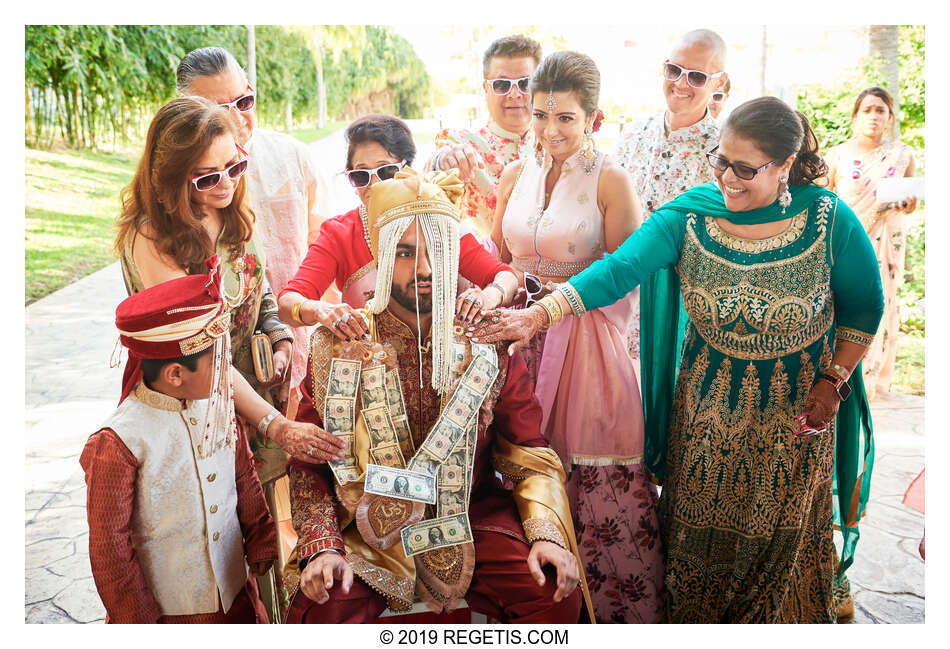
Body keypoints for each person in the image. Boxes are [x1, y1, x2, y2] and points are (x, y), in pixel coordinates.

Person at [471, 97, 884, 622]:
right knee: (695, 551)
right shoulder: (691, 216)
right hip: (705, 422)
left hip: (794, 422)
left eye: (745, 168)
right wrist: (538, 316)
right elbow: (617, 271)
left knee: (778, 555)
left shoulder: (827, 219)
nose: (727, 179)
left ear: (784, 166)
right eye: (721, 161)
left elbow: (864, 306)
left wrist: (833, 381)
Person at [281, 169, 592, 624]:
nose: (424, 269)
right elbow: (310, 464)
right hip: (369, 530)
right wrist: (322, 547)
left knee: (554, 595)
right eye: (405, 254)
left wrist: (546, 534)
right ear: (384, 257)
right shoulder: (339, 345)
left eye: (436, 252)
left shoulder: (487, 340)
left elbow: (530, 453)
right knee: (321, 610)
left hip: (472, 514)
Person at [114, 96, 346, 622]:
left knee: (262, 521)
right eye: (205, 178)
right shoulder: (152, 239)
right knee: (214, 538)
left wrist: (277, 334)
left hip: (254, 394)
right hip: (192, 403)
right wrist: (276, 423)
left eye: (234, 167)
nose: (225, 184)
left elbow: (261, 289)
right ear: (168, 179)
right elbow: (205, 351)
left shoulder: (230, 208)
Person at [490, 51, 662, 623]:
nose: (550, 130)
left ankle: (610, 619)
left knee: (590, 476)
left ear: (594, 117)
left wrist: (556, 305)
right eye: (540, 115)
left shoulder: (610, 179)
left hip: (585, 345)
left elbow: (627, 270)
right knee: (516, 465)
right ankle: (537, 608)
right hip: (514, 340)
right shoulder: (515, 175)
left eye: (565, 117)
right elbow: (497, 259)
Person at [80, 263, 277, 623]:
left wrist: (261, 534)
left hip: (237, 600)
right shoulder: (118, 442)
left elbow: (242, 474)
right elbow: (110, 549)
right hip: (174, 615)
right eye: (217, 363)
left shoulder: (216, 405)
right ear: (174, 375)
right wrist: (139, 618)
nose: (226, 370)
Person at [178, 46, 334, 403]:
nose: (235, 120)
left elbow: (324, 250)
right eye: (217, 110)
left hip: (295, 342)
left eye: (243, 102)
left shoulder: (293, 157)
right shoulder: (178, 185)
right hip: (207, 369)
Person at [277, 114, 520, 337]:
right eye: (361, 175)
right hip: (371, 368)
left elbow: (504, 276)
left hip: (442, 367)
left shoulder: (439, 221)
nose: (374, 185)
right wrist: (319, 310)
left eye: (386, 172)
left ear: (408, 170)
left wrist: (487, 297)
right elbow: (288, 302)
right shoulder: (340, 233)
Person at [613, 29, 727, 373]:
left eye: (696, 76)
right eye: (674, 70)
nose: (680, 83)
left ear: (718, 81)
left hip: (685, 314)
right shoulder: (632, 135)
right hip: (617, 302)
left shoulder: (728, 151)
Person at [825, 86, 918, 400]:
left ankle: (870, 379)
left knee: (879, 306)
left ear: (890, 117)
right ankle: (835, 372)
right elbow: (824, 198)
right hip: (844, 244)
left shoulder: (903, 155)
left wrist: (907, 204)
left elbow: (912, 201)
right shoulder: (837, 155)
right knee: (841, 306)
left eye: (881, 110)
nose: (874, 116)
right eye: (867, 109)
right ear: (855, 116)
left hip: (882, 245)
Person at [429, 34, 542, 238]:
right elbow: (428, 185)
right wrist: (442, 162)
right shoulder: (461, 143)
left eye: (525, 83)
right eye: (502, 85)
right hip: (483, 267)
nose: (515, 94)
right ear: (486, 89)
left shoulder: (558, 144)